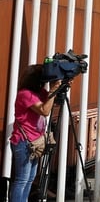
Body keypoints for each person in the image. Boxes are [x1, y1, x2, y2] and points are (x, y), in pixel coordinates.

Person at [9, 65, 61, 202]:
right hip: (23, 142)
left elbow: (53, 103)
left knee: (30, 178)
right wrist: (54, 89)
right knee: (22, 179)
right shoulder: (25, 94)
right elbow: (45, 110)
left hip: (35, 142)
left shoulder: (40, 92)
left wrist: (61, 86)